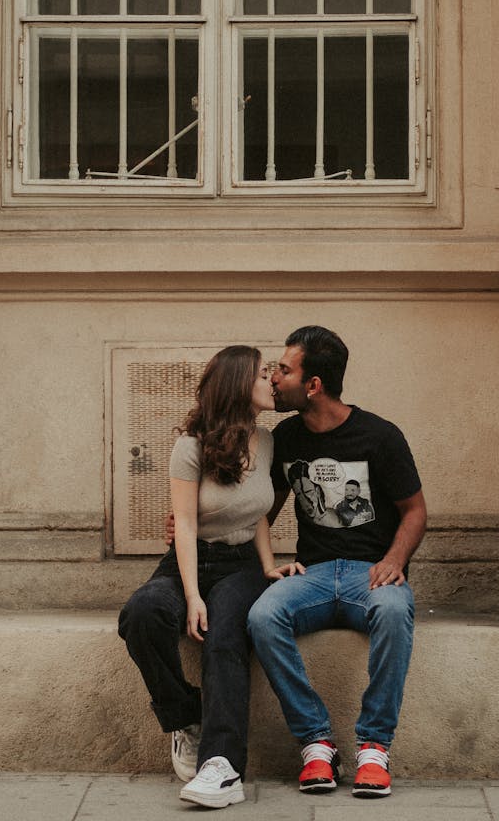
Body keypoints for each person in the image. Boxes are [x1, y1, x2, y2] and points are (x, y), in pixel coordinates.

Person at [247, 325, 427, 799]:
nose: (273, 377)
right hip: (314, 574)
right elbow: (259, 507)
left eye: (283, 370)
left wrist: (394, 559)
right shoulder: (285, 438)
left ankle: (373, 748)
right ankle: (316, 742)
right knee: (264, 615)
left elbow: (415, 512)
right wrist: (194, 518)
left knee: (392, 610)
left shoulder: (380, 436)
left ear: (313, 385)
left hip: (370, 572)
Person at [118, 345, 296, 809]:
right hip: (190, 558)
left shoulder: (269, 441)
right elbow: (186, 524)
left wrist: (266, 566)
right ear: (240, 385)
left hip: (241, 566)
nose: (272, 381)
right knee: (143, 613)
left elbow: (259, 516)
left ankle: (223, 768)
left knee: (223, 635)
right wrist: (193, 596)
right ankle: (184, 716)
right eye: (263, 374)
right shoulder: (191, 445)